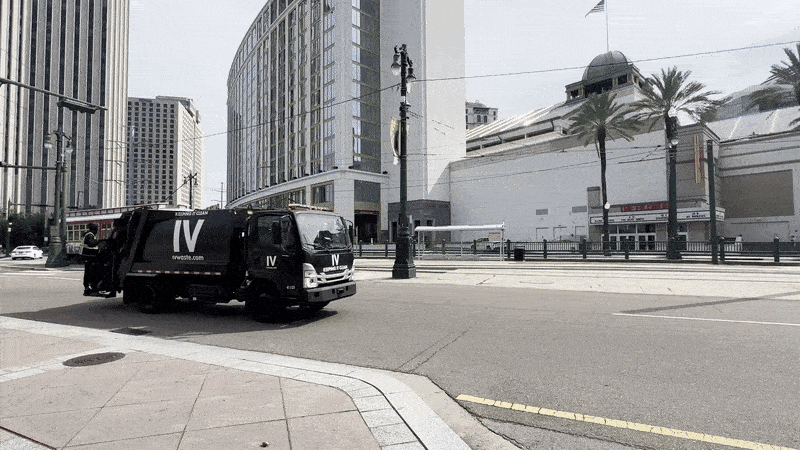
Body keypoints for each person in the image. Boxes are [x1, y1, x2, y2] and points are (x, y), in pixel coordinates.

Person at [82, 223, 100, 295]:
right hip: (89, 256)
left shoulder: (89, 234)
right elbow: (91, 244)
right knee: (89, 272)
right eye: (96, 229)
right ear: (94, 229)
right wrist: (99, 241)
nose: (97, 231)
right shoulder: (89, 235)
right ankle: (89, 287)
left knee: (90, 272)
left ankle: (90, 286)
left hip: (89, 256)